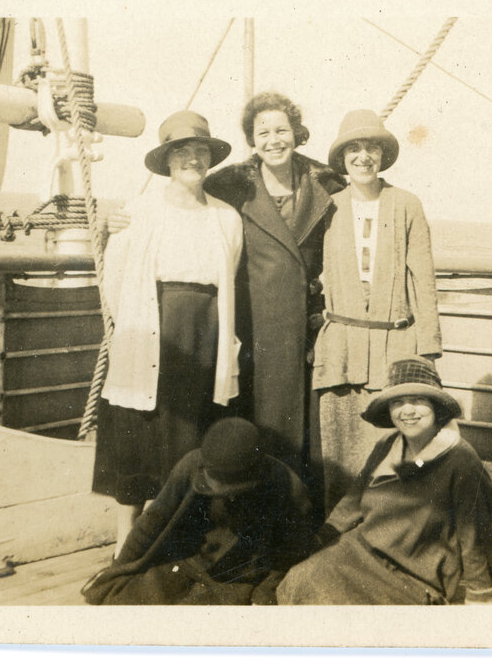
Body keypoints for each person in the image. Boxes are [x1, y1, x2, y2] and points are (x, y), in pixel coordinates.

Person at [92, 110, 243, 557]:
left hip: (203, 332)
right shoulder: (137, 211)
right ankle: (126, 542)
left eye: (200, 152)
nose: (192, 160)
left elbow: (228, 274)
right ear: (168, 161)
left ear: (209, 159)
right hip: (147, 328)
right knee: (137, 432)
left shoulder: (226, 217)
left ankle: (170, 539)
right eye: (182, 152)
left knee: (186, 433)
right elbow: (115, 280)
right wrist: (137, 331)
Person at [203, 92, 345, 511]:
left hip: (308, 328)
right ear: (251, 139)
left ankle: (302, 515)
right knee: (260, 421)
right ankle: (258, 513)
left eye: (281, 130)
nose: (273, 140)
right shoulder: (231, 185)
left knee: (307, 426)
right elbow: (188, 205)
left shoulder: (326, 182)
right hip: (255, 328)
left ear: (296, 133)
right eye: (262, 132)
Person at [276, 356, 492, 605]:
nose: (408, 411)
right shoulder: (387, 445)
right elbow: (354, 500)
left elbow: (476, 536)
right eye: (398, 402)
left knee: (332, 601)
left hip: (412, 577)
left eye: (418, 401)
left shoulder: (462, 461)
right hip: (360, 551)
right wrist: (321, 539)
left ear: (436, 407)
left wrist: (482, 596)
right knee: (300, 578)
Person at [313, 109, 442, 509]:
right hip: (341, 354)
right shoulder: (326, 207)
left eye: (371, 147)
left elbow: (423, 279)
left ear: (383, 156)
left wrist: (427, 349)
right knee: (340, 459)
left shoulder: (406, 205)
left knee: (393, 457)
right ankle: (339, 543)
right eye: (354, 148)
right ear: (342, 158)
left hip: (395, 349)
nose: (363, 156)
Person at [82, 417, 316, 605]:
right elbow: (151, 524)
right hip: (188, 561)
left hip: (239, 575)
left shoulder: (288, 489)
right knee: (119, 597)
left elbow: (289, 556)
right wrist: (118, 569)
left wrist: (264, 595)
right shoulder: (191, 466)